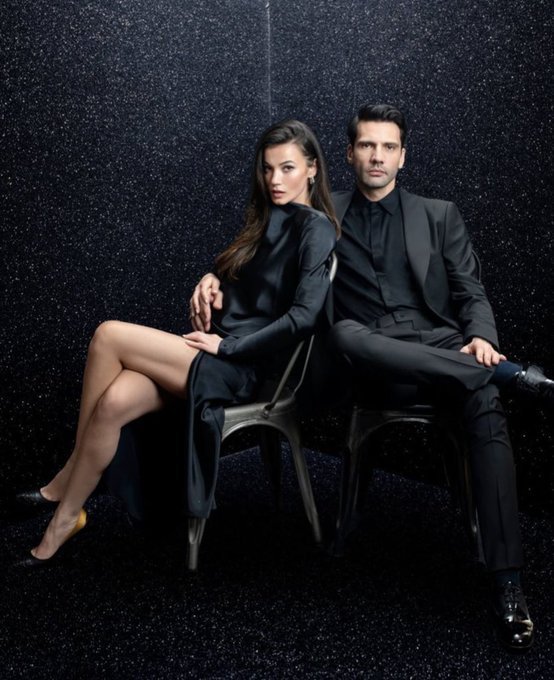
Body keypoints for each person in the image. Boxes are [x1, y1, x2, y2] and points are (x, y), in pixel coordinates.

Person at [190, 105, 553, 652]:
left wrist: (481, 338)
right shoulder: (320, 214)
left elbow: (469, 291)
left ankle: (508, 585)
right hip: (366, 359)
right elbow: (262, 255)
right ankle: (510, 376)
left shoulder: (439, 215)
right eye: (366, 146)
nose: (376, 156)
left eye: (387, 147)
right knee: (345, 335)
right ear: (349, 154)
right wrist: (213, 275)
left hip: (440, 350)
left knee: (484, 405)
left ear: (403, 156)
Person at [14, 119, 339, 567]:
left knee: (108, 335)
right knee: (114, 402)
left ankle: (68, 474)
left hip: (247, 368)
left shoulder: (316, 227)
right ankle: (65, 520)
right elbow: (241, 280)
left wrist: (227, 348)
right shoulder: (266, 218)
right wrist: (211, 278)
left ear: (312, 169)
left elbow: (304, 318)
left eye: (287, 168)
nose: (275, 180)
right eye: (268, 169)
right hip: (219, 351)